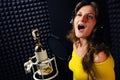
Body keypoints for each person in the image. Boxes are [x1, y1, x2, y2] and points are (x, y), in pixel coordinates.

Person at [67, 0, 115, 80]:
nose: (82, 19)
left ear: (96, 25)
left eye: (89, 16)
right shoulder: (76, 43)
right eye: (79, 14)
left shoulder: (99, 56)